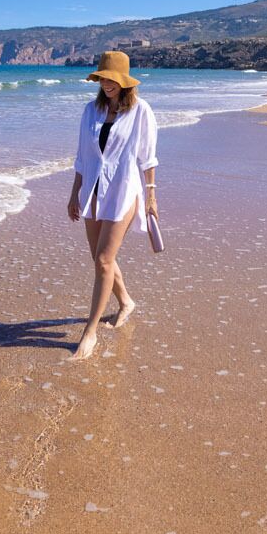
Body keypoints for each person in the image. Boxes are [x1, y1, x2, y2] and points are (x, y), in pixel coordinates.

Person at [64, 51, 159, 361]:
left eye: (111, 78)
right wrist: (75, 193)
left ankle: (89, 332)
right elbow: (82, 157)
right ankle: (126, 302)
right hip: (93, 190)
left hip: (123, 190)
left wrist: (151, 195)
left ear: (124, 81)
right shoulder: (90, 111)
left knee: (105, 260)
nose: (106, 83)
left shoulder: (140, 111)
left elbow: (147, 157)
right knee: (99, 258)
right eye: (102, 78)